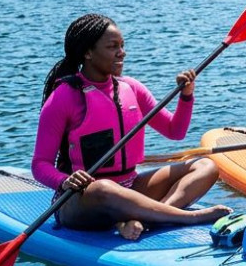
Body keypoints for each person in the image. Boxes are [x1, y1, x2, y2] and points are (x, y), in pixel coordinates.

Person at [31, 13, 230, 241]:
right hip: (82, 199)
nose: (121, 52)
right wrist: (63, 181)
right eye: (112, 46)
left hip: (130, 185)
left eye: (122, 45)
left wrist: (186, 96)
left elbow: (175, 131)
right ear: (88, 52)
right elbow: (40, 164)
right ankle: (187, 217)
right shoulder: (64, 97)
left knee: (206, 166)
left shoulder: (131, 88)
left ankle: (150, 218)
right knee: (103, 188)